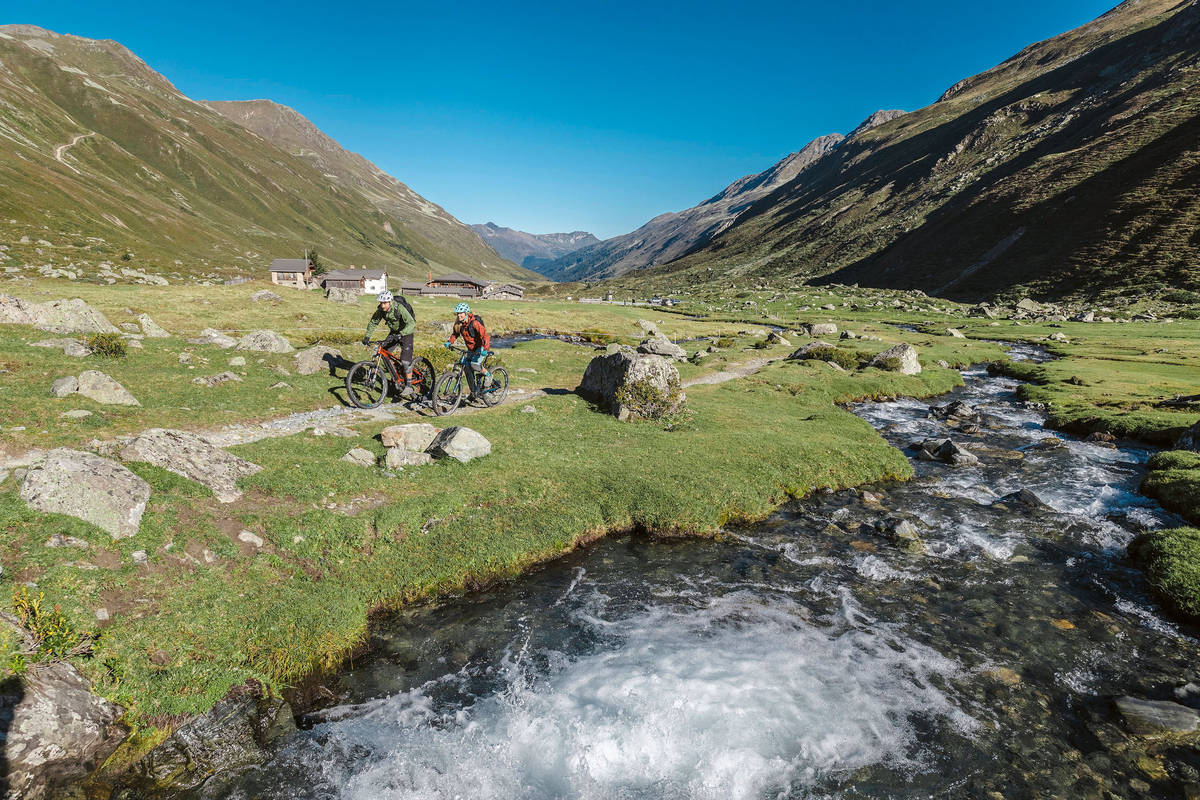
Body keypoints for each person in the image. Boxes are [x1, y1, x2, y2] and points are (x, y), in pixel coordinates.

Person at [362, 290, 416, 395]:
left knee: (405, 360)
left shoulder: (399, 308)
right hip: (394, 332)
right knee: (385, 354)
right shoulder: (380, 310)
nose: (383, 306)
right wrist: (367, 336)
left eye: (385, 303)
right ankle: (396, 376)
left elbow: (411, 323)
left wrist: (402, 333)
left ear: (390, 302)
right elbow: (373, 322)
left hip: (406, 332)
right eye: (381, 303)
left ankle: (409, 385)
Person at [444, 302, 493, 392]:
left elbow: (485, 336)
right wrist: (449, 342)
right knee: (466, 367)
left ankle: (488, 375)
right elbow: (455, 334)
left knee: (474, 365)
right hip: (471, 349)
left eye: (461, 313)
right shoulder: (459, 324)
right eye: (457, 313)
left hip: (480, 347)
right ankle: (474, 391)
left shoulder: (474, 323)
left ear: (466, 313)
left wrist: (485, 349)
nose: (459, 315)